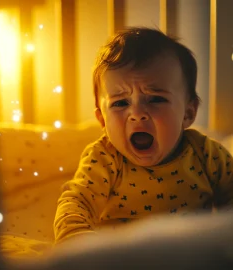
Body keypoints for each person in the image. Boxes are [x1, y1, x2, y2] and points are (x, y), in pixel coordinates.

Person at [53, 27, 233, 244]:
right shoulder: (104, 158)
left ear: (188, 113)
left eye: (155, 99)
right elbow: (76, 203)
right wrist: (78, 244)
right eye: (120, 103)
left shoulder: (207, 154)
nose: (137, 115)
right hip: (123, 257)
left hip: (190, 254)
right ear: (101, 119)